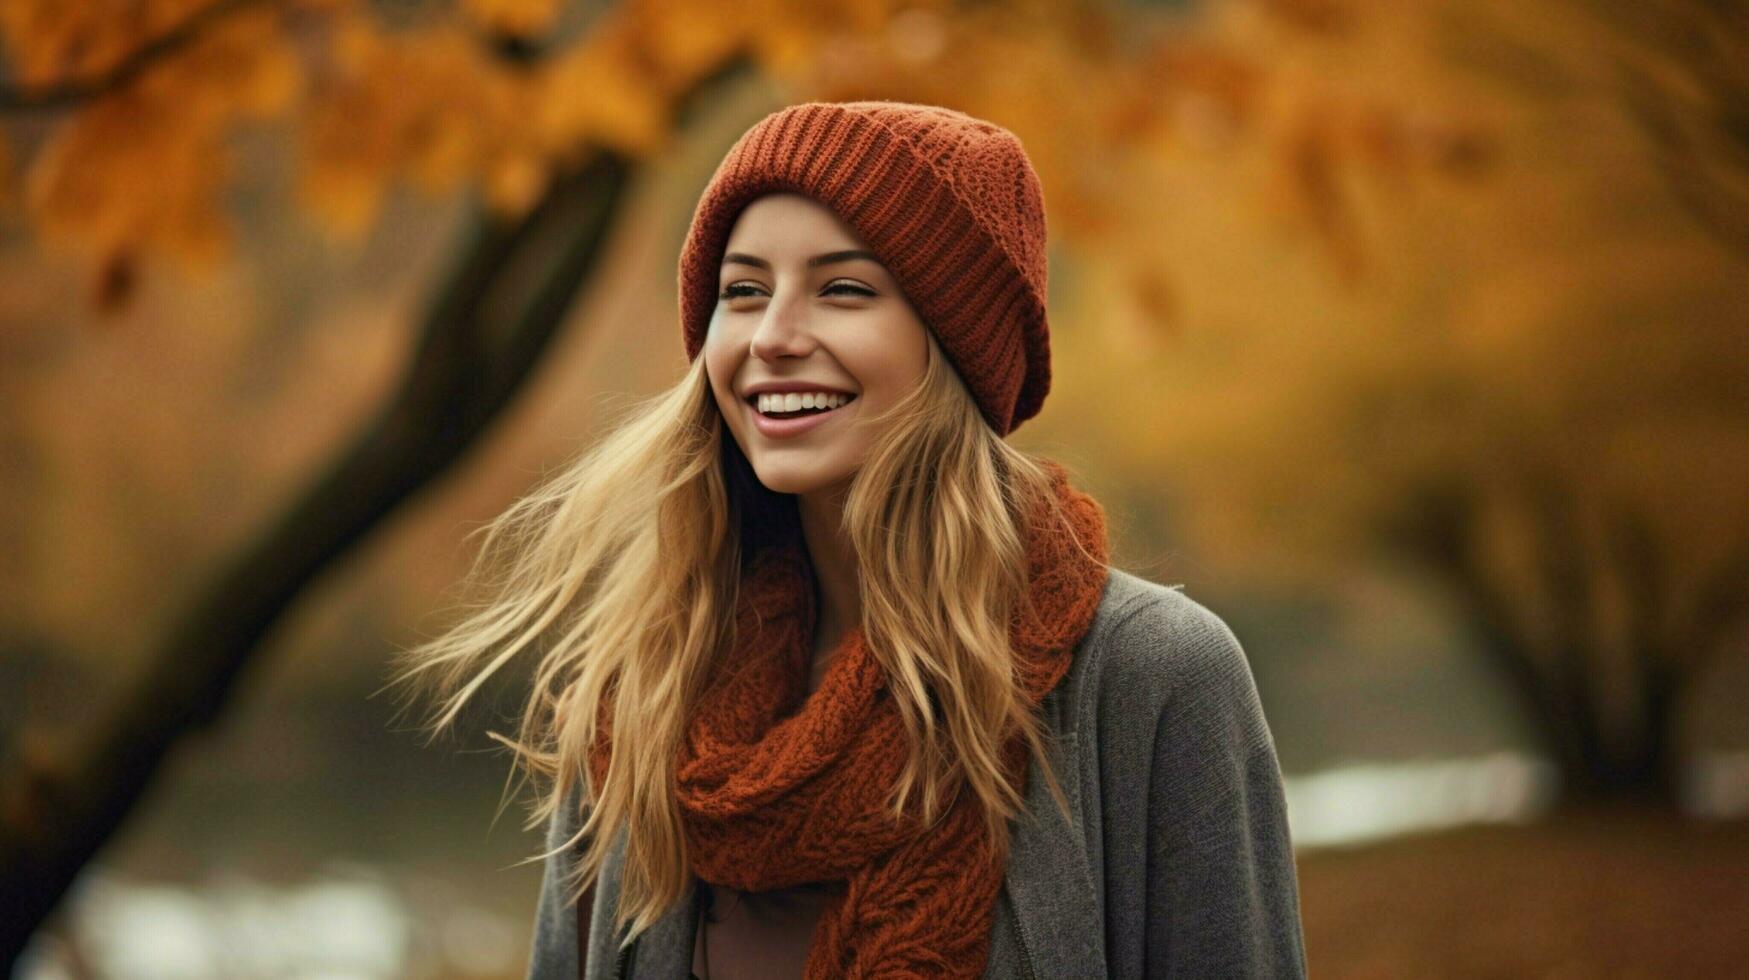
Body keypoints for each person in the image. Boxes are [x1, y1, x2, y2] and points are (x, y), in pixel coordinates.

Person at [393, 100, 1307, 980]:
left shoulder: (1148, 678)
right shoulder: (645, 687)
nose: (775, 337)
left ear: (954, 345)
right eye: (742, 292)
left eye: (843, 289)